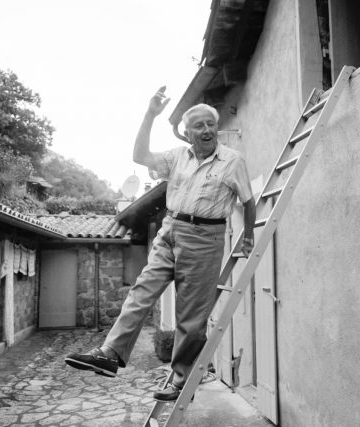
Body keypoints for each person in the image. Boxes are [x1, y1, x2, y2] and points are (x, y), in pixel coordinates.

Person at [65, 86, 256, 402]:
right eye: (199, 126)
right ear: (188, 133)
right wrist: (150, 114)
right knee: (142, 291)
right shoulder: (177, 157)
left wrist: (247, 235)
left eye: (210, 124)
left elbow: (248, 202)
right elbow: (139, 156)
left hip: (205, 238)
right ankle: (111, 353)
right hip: (170, 230)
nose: (207, 130)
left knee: (190, 317)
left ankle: (181, 380)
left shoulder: (232, 161)